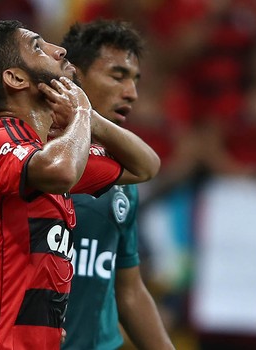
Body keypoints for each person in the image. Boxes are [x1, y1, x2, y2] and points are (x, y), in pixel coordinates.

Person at [0, 20, 160, 350]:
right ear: (15, 78)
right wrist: (82, 111)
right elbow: (62, 170)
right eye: (39, 47)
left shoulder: (47, 154)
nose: (59, 50)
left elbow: (146, 166)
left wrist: (92, 119)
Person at [59, 20, 174, 349]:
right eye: (117, 75)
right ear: (73, 75)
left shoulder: (121, 174)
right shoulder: (32, 157)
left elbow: (129, 290)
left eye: (135, 80)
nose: (132, 93)